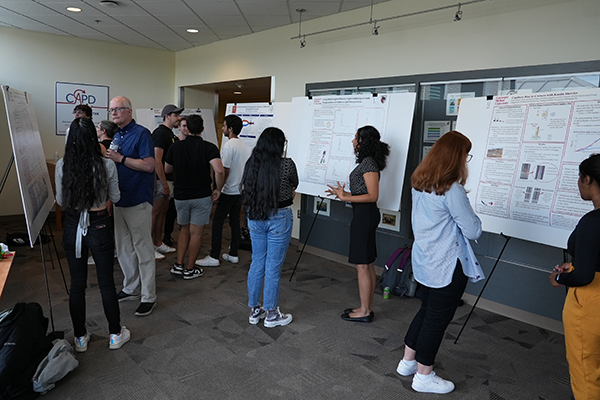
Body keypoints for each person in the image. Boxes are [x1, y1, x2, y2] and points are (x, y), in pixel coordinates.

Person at [395, 131, 483, 394]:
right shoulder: (451, 189)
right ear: (456, 158)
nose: (467, 161)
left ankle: (407, 362)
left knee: (426, 311)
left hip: (425, 259)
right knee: (436, 320)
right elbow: (473, 230)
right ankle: (424, 376)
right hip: (447, 264)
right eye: (466, 156)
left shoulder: (419, 182)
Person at [55, 118, 130, 352]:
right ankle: (115, 334)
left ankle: (79, 338)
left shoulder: (62, 164)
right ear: (93, 138)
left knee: (77, 284)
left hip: (72, 224)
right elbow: (116, 198)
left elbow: (60, 201)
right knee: (106, 283)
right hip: (99, 224)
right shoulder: (106, 165)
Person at [549, 153, 600, 400]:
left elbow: (585, 277)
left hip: (590, 304)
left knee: (585, 369)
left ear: (588, 179)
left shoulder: (593, 221)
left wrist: (559, 278)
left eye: (580, 178)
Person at [326, 125, 389, 323]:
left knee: (362, 265)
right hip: (364, 214)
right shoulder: (367, 162)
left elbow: (372, 196)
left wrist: (347, 198)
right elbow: (364, 194)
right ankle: (366, 308)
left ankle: (364, 311)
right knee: (367, 263)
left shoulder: (369, 163)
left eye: (356, 138)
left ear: (365, 142)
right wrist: (344, 195)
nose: (353, 142)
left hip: (365, 216)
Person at [106, 96, 157, 317]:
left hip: (138, 199)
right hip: (120, 199)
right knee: (124, 249)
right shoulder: (117, 135)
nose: (114, 113)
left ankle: (148, 296)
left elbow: (148, 165)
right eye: (111, 110)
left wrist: (121, 159)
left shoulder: (142, 134)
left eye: (118, 109)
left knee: (143, 249)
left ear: (129, 111)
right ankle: (131, 287)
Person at [242, 127, 298, 328]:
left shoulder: (252, 164)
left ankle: (254, 310)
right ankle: (272, 314)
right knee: (273, 266)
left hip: (255, 215)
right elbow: (294, 185)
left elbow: (247, 188)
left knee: (257, 262)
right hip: (279, 217)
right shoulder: (286, 165)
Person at [165, 114, 224, 279]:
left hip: (181, 195)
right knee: (196, 233)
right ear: (202, 129)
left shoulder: (175, 147)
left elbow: (167, 169)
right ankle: (190, 269)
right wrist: (218, 189)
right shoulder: (209, 147)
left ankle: (178, 265)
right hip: (201, 195)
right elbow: (219, 170)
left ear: (187, 129)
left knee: (183, 230)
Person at [197, 115, 248, 267]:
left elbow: (224, 171)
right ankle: (233, 254)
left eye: (224, 126)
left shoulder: (228, 145)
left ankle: (214, 256)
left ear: (230, 129)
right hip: (239, 190)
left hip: (228, 190)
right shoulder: (243, 145)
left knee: (217, 222)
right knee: (234, 222)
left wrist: (218, 189)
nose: (223, 128)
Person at [151, 104, 182, 259]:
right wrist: (163, 183)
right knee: (155, 213)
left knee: (162, 212)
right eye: (176, 115)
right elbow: (157, 161)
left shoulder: (170, 134)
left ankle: (157, 242)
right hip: (160, 181)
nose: (178, 118)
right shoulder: (160, 134)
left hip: (169, 180)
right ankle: (149, 246)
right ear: (167, 116)